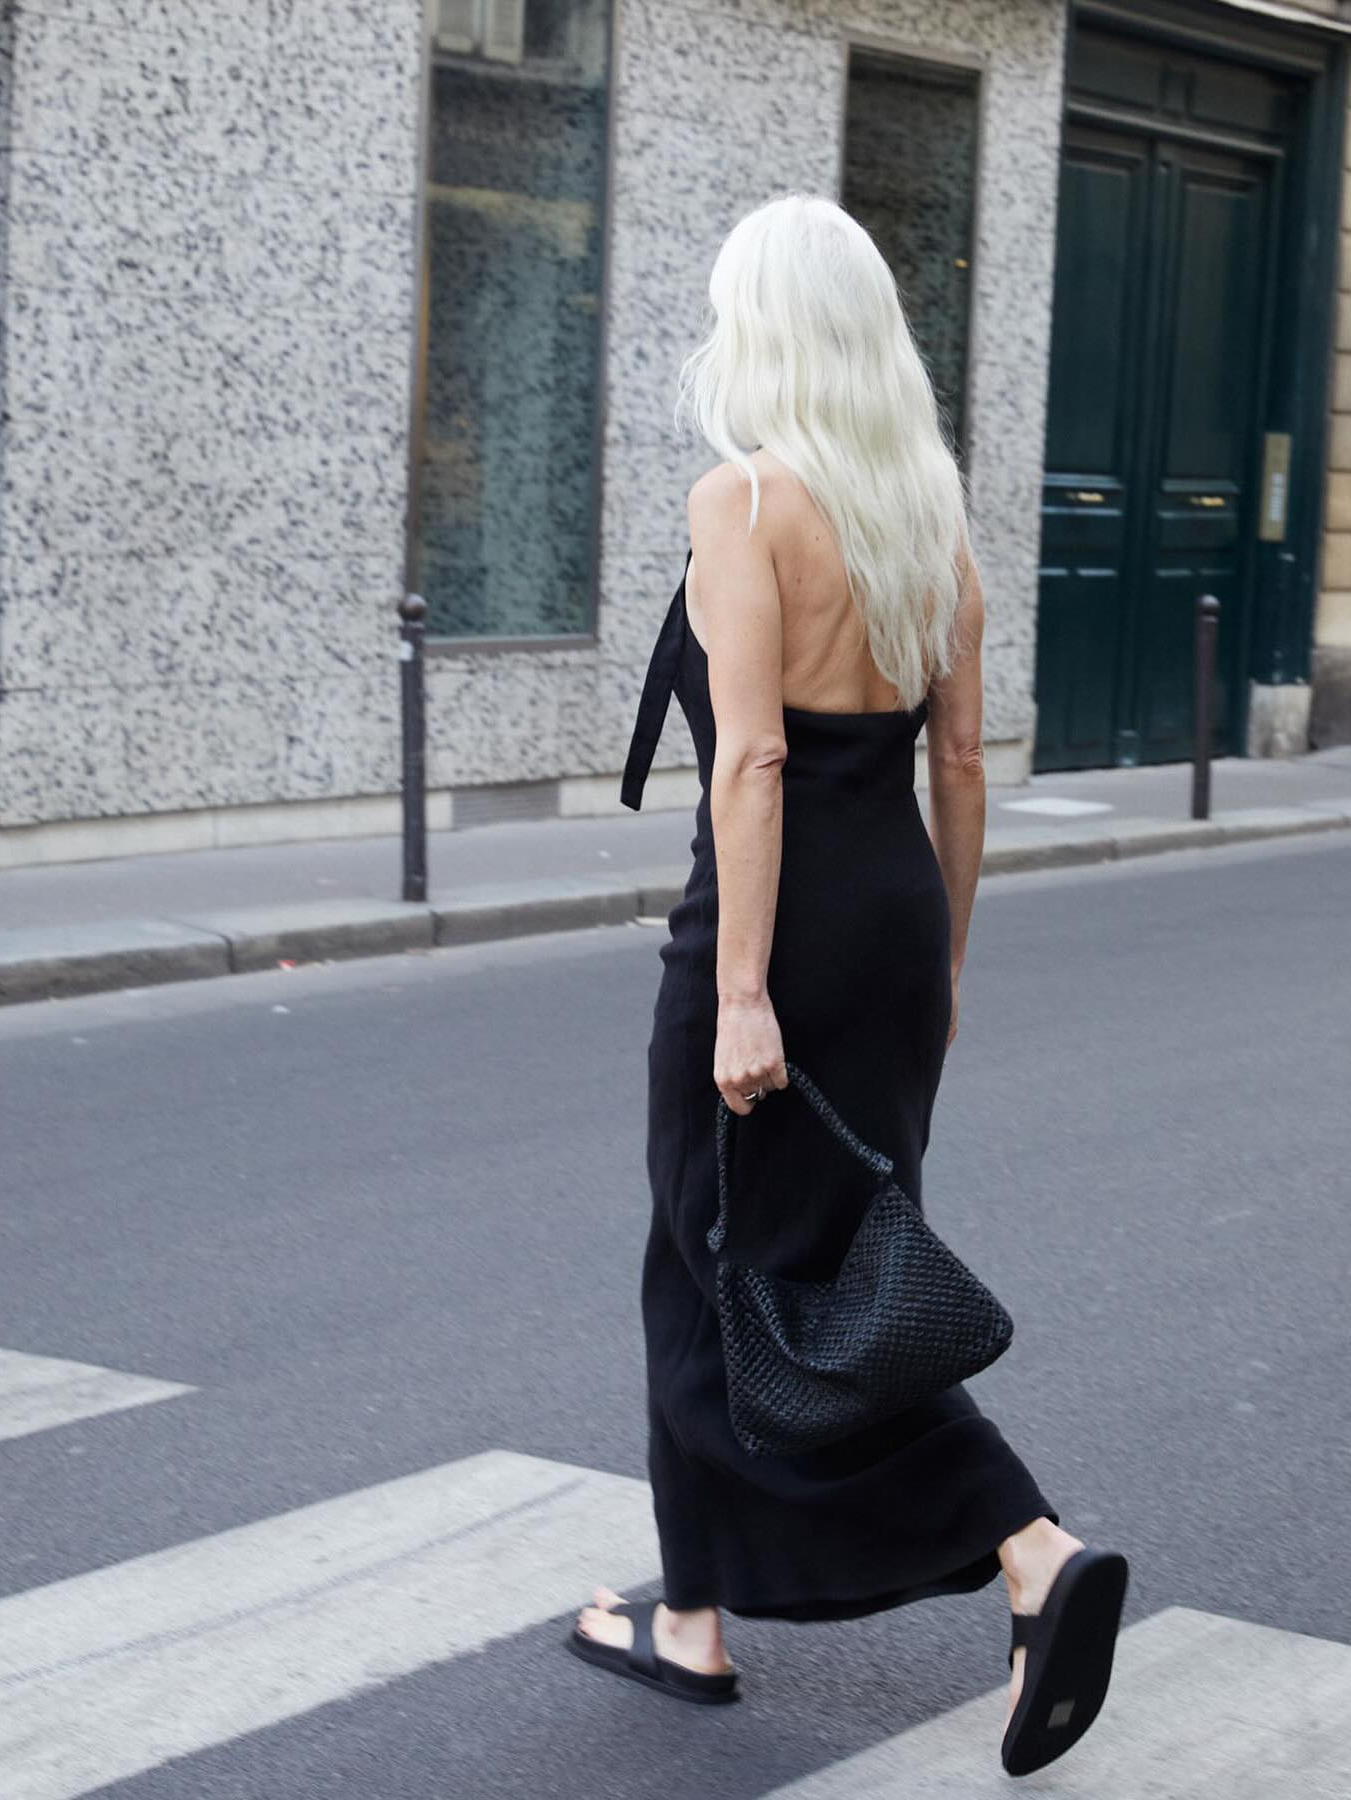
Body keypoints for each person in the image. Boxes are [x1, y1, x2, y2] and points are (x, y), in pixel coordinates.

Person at [563, 193, 1128, 1777]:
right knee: (764, 1264)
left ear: (765, 331)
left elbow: (748, 758)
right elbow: (961, 766)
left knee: (761, 1277)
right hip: (887, 928)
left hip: (779, 930)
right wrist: (941, 966)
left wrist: (743, 990)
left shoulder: (745, 500)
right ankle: (694, 1619)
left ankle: (1027, 1549)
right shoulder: (923, 510)